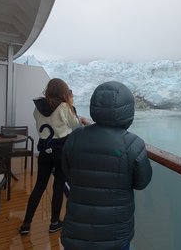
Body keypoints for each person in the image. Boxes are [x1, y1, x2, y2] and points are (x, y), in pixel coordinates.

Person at [61, 81, 152, 250]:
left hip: (77, 229)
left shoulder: (76, 137)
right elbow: (141, 182)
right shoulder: (133, 144)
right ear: (127, 109)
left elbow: (67, 171)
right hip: (114, 233)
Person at [19, 78, 88, 235]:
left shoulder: (37, 108)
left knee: (39, 186)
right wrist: (73, 109)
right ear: (63, 91)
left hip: (44, 151)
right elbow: (74, 125)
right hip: (61, 152)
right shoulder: (64, 106)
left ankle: (26, 224)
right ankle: (54, 223)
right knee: (58, 186)